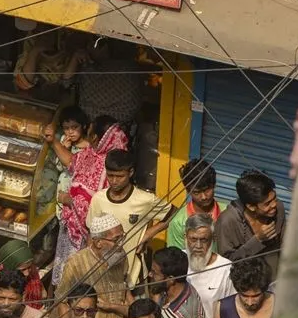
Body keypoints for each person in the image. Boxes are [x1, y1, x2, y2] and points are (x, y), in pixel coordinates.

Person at [53, 111, 129, 288]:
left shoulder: (108, 164)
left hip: (88, 234)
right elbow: (72, 163)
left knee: (76, 277)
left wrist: (68, 199)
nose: (89, 136)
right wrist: (54, 142)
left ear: (97, 137)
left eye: (91, 133)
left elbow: (89, 202)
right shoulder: (91, 154)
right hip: (72, 227)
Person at [88, 149, 175, 288]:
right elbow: (91, 236)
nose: (114, 181)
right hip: (103, 274)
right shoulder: (98, 199)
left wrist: (148, 234)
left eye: (119, 176)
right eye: (110, 176)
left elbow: (172, 213)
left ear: (131, 173)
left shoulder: (145, 200)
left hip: (133, 276)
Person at [58, 214, 132, 318]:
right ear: (98, 242)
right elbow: (62, 302)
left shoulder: (120, 256)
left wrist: (132, 314)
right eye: (116, 239)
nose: (121, 243)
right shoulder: (76, 263)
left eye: (122, 237)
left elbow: (125, 289)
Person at [216, 169, 285, 276]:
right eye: (267, 204)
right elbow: (226, 263)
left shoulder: (278, 208)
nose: (274, 205)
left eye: (274, 198)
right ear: (251, 207)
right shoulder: (228, 221)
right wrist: (258, 240)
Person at [184, 213, 234, 318]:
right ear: (185, 237)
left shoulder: (225, 269)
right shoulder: (178, 260)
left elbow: (231, 311)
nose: (198, 245)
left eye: (204, 240)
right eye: (193, 239)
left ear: (213, 239)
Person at [167, 159, 227, 250]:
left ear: (214, 185)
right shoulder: (178, 222)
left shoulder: (227, 213)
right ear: (188, 191)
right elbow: (176, 259)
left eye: (207, 190)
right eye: (196, 192)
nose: (203, 197)